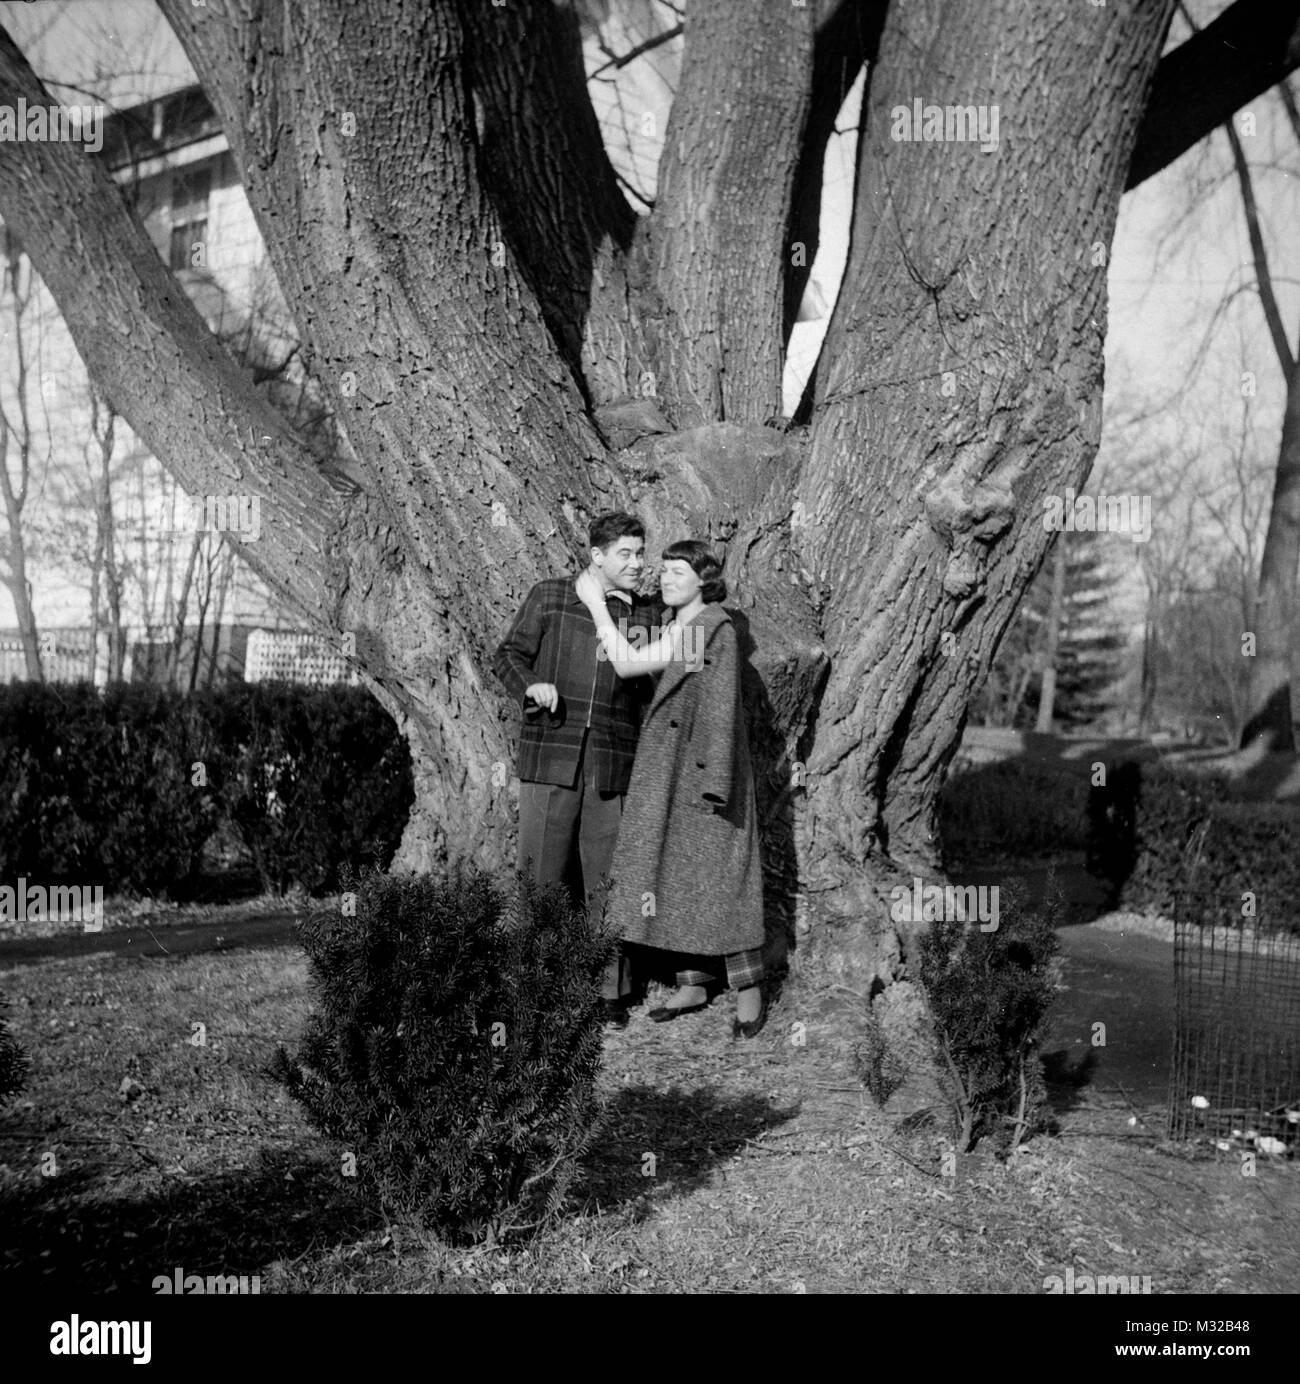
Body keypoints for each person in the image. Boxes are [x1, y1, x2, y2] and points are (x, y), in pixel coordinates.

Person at [574, 539, 767, 1038]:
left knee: (723, 879)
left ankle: (750, 988)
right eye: (664, 570)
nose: (665, 578)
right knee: (678, 877)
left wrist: (596, 606)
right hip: (672, 773)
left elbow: (717, 707)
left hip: (704, 776)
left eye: (678, 571)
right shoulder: (680, 625)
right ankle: (694, 983)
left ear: (704, 580)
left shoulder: (710, 627)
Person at [492, 512, 660, 1026]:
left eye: (640, 552)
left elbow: (649, 683)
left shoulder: (649, 615)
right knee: (539, 874)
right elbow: (508, 655)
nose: (636, 563)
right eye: (625, 554)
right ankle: (531, 984)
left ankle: (610, 991)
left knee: (606, 880)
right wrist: (530, 686)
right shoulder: (549, 595)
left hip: (612, 763)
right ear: (598, 556)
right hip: (551, 758)